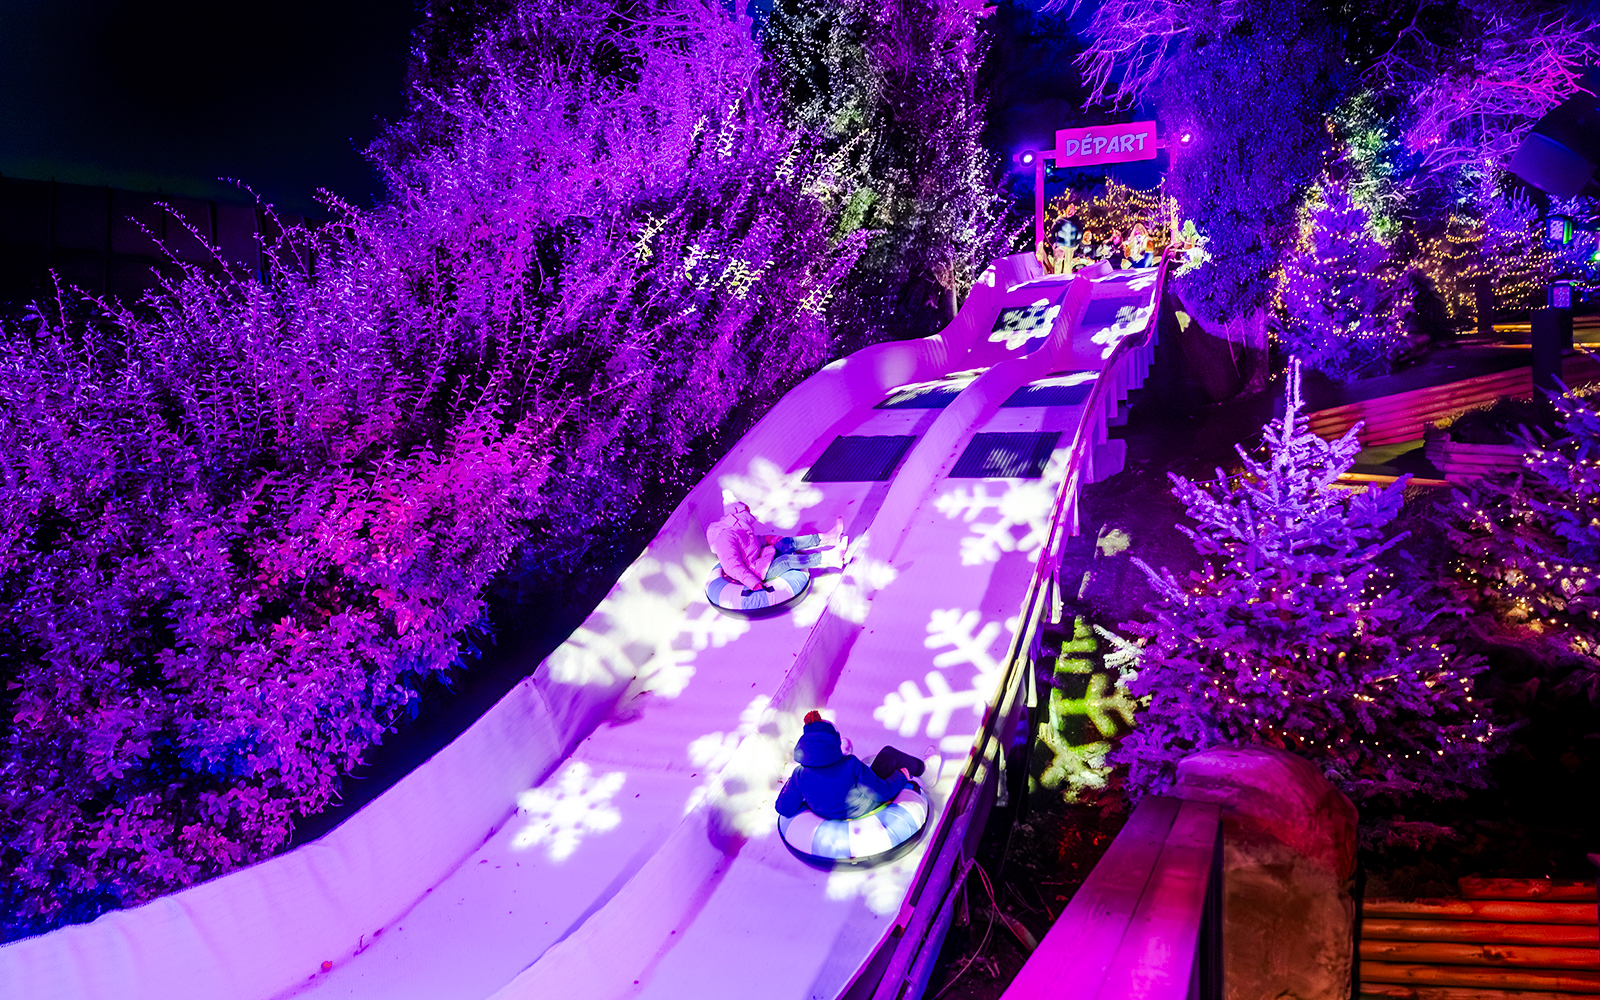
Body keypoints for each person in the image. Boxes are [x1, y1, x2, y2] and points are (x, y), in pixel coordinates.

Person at [774, 712, 926, 822]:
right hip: (862, 810)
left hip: (830, 815)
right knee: (889, 754)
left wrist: (794, 784)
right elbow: (882, 793)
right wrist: (901, 776)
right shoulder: (850, 764)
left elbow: (783, 808)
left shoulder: (799, 775)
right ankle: (924, 770)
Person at [705, 501, 844, 592]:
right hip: (757, 571)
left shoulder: (739, 529)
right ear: (737, 516)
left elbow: (756, 542)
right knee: (785, 561)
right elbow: (732, 565)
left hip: (762, 557)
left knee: (787, 542)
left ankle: (829, 538)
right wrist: (752, 582)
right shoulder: (725, 538)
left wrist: (773, 539)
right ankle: (829, 558)